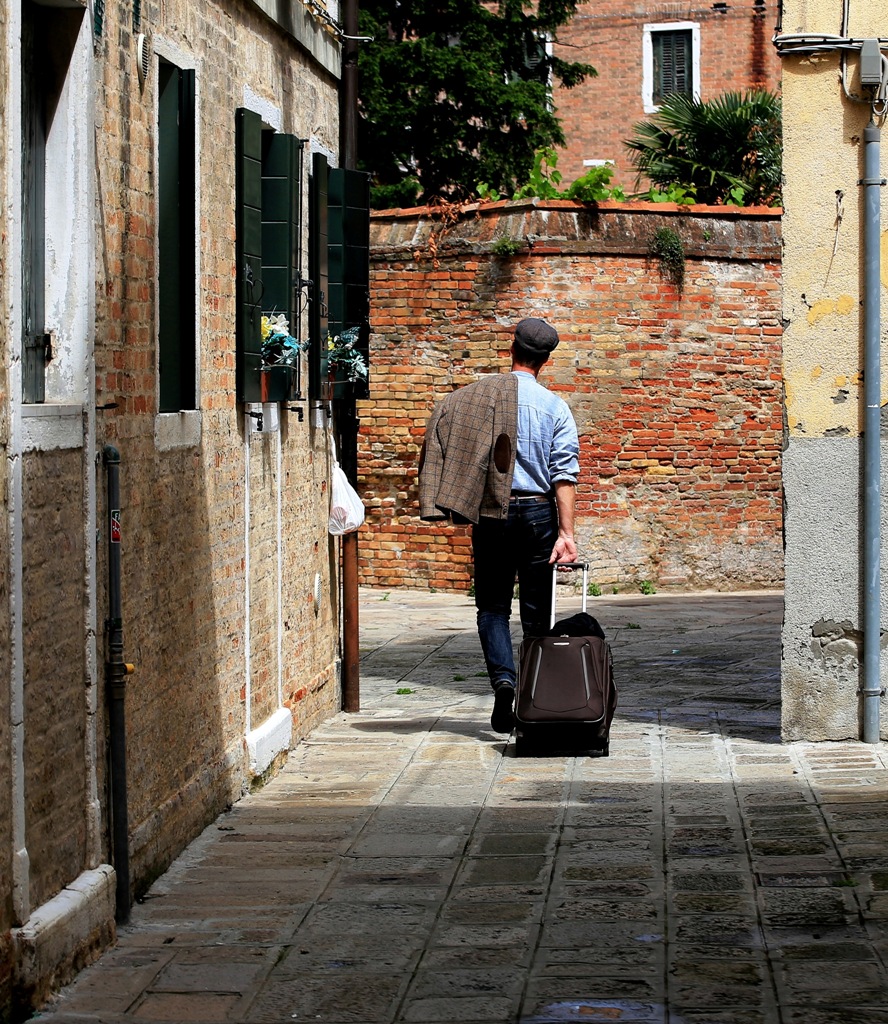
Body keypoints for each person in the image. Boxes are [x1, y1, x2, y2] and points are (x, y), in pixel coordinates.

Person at [417, 318, 580, 735]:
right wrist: (567, 534)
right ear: (545, 360)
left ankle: (503, 682)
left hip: (492, 512)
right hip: (539, 512)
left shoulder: (472, 399)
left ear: (512, 349)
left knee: (491, 606)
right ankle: (532, 697)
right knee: (536, 613)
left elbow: (445, 433)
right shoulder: (555, 407)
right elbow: (564, 474)